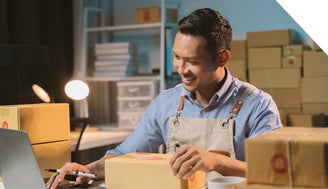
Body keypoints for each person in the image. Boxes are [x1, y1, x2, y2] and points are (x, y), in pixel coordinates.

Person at [46, 8, 282, 189]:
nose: (181, 69)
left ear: (222, 58)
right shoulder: (166, 102)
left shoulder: (258, 105)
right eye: (177, 57)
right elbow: (124, 153)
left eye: (193, 61)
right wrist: (86, 170)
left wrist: (214, 161)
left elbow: (276, 172)